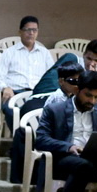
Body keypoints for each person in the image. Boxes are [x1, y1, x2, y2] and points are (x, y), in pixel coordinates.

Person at [8, 57, 81, 185]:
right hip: (52, 138)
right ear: (61, 81)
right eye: (72, 81)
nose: (77, 85)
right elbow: (58, 128)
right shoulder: (58, 99)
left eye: (79, 81)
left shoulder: (73, 97)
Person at [0, 17, 51, 130]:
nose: (31, 33)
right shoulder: (9, 52)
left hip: (37, 95)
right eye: (28, 30)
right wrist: (5, 88)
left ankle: (30, 138)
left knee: (51, 112)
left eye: (34, 30)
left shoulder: (45, 53)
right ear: (20, 32)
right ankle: (22, 138)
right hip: (15, 93)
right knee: (11, 110)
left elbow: (51, 77)